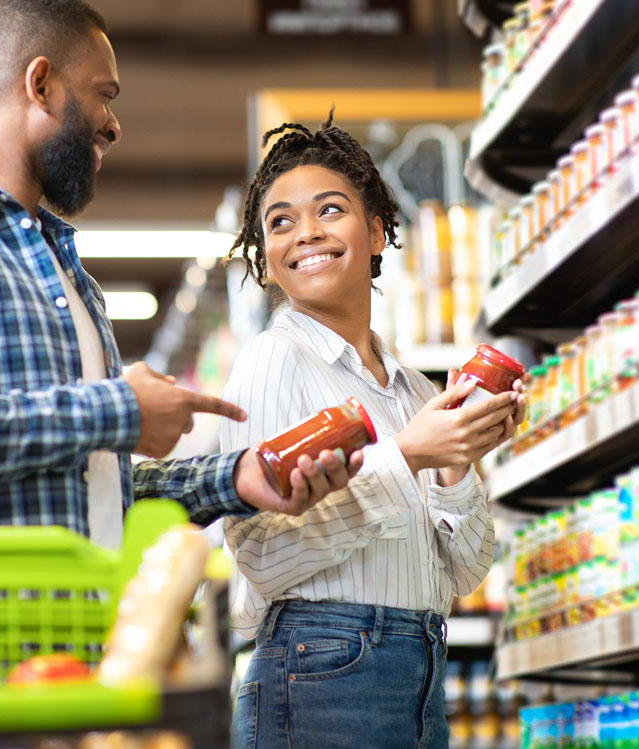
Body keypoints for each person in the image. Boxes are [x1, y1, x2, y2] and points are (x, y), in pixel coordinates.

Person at [0, 0, 361, 549]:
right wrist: (116, 409)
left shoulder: (67, 274)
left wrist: (236, 477)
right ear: (42, 84)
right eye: (104, 94)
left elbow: (94, 488)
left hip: (76, 624)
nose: (114, 125)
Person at [222, 115, 526, 749]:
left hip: (418, 672)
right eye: (280, 222)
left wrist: (456, 461)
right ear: (268, 259)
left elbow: (464, 573)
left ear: (378, 233)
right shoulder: (274, 361)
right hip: (319, 671)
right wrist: (408, 456)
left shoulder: (416, 391)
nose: (306, 232)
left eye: (329, 210)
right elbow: (261, 554)